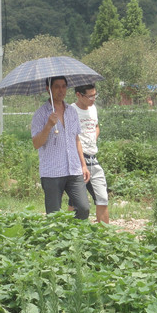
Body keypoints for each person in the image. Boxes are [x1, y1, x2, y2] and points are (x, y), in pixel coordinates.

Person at [31, 76, 91, 219]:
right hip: (52, 172)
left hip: (74, 169)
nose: (61, 90)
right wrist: (49, 125)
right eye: (57, 86)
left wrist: (83, 165)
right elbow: (36, 143)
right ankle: (55, 240)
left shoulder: (72, 111)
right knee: (53, 215)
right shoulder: (40, 114)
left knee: (84, 208)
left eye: (64, 86)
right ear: (48, 89)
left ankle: (74, 237)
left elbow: (76, 139)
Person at [71, 84, 109, 223]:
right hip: (78, 161)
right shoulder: (71, 110)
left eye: (95, 95)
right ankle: (68, 232)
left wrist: (93, 138)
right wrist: (81, 163)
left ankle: (105, 236)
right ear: (79, 95)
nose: (93, 99)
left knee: (103, 197)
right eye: (90, 96)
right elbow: (72, 138)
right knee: (75, 202)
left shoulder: (93, 109)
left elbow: (96, 126)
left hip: (93, 159)